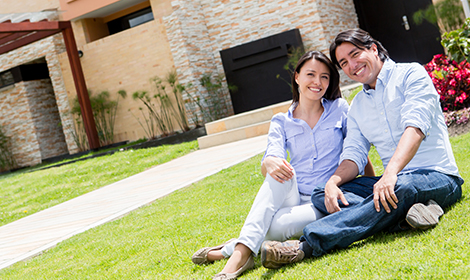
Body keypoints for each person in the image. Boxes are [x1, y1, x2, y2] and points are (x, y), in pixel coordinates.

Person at [260, 28, 464, 269]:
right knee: (322, 194)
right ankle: (406, 217)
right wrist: (332, 182)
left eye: (355, 54)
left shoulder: (411, 74)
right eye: (344, 62)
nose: (352, 65)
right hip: (394, 181)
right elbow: (354, 154)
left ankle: (305, 246)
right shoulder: (357, 105)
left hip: (438, 176)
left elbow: (415, 128)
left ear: (373, 49)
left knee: (401, 187)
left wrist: (390, 173)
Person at [191, 50, 374, 279]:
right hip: (293, 193)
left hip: (322, 200)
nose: (318, 82)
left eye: (325, 77)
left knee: (273, 228)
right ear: (297, 77)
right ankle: (238, 258)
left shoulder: (340, 109)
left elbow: (357, 150)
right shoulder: (281, 121)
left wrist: (369, 184)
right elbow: (271, 160)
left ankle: (231, 250)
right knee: (279, 170)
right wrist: (269, 161)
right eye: (311, 74)